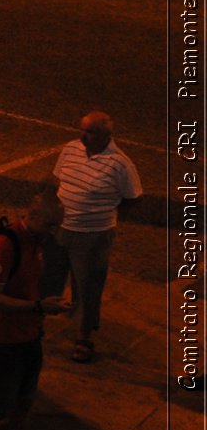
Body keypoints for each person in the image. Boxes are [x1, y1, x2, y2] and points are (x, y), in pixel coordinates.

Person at [0, 186, 71, 430]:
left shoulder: (37, 240)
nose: (53, 232)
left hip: (28, 334)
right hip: (2, 339)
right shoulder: (6, 245)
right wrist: (36, 306)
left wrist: (43, 310)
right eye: (49, 225)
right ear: (31, 216)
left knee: (22, 404)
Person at [42, 111, 142, 363]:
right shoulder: (71, 149)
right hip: (60, 228)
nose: (82, 136)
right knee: (49, 276)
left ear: (107, 135)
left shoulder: (120, 163)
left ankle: (84, 336)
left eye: (89, 132)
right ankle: (39, 320)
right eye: (82, 130)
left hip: (92, 236)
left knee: (87, 287)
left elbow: (133, 198)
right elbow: (58, 181)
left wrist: (100, 213)